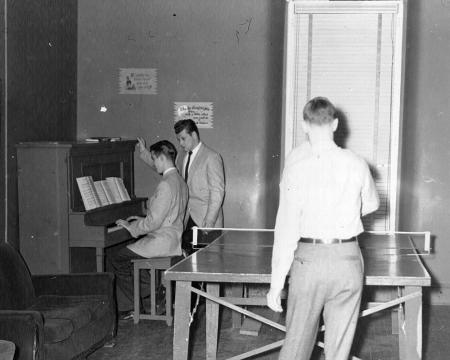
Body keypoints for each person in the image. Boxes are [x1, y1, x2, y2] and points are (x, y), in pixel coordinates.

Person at [266, 97, 379, 360]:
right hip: (347, 259)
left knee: (295, 348)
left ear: (305, 125)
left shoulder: (296, 166)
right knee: (339, 352)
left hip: (310, 260)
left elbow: (286, 229)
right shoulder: (356, 162)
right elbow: (372, 204)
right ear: (335, 124)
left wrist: (276, 283)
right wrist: (343, 214)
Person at [110, 140, 188, 316]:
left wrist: (131, 225)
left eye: (154, 159)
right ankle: (151, 301)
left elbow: (153, 223)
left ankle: (131, 307)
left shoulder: (166, 184)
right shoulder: (180, 181)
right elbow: (167, 216)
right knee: (132, 259)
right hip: (173, 240)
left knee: (117, 257)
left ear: (161, 158)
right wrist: (142, 219)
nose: (154, 163)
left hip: (161, 242)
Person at [138, 119, 225, 253]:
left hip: (205, 221)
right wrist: (145, 153)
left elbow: (217, 192)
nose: (181, 143)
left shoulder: (211, 157)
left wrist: (209, 221)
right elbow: (163, 167)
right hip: (186, 218)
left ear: (194, 135)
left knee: (206, 264)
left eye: (183, 139)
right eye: (178, 140)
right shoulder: (181, 157)